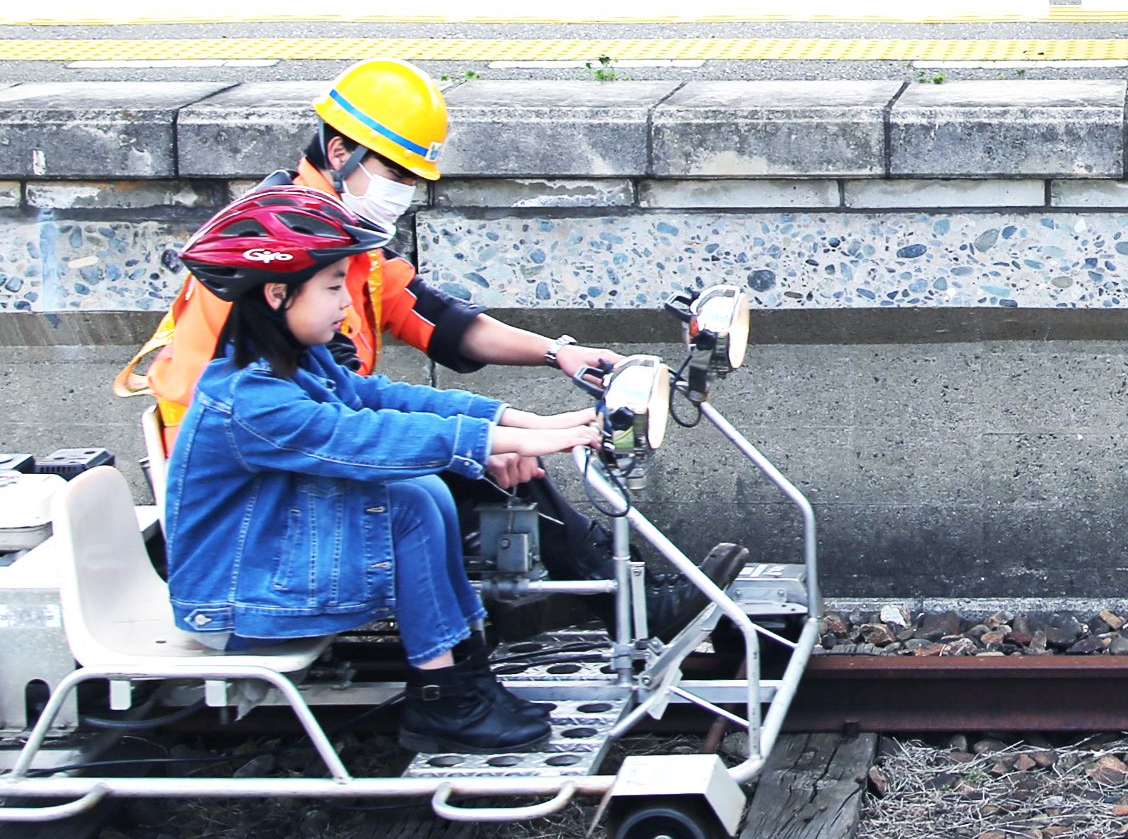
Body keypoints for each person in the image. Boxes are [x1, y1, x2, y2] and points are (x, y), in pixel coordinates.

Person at [121, 58, 744, 622]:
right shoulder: (287, 252)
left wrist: (559, 353)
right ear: (340, 151)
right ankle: (613, 604)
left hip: (302, 444)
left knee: (496, 453)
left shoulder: (339, 244)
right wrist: (492, 440)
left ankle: (621, 592)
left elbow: (441, 322)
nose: (405, 192)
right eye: (395, 172)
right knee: (486, 467)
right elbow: (348, 409)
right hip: (257, 477)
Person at [156, 185, 606, 752]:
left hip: (265, 569)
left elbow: (387, 402)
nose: (345, 302)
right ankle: (442, 695)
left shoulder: (298, 365)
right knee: (410, 498)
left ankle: (460, 676)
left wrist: (535, 424)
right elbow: (367, 437)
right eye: (330, 287)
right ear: (276, 294)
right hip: (236, 602)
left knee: (422, 493)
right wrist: (527, 440)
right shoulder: (249, 400)